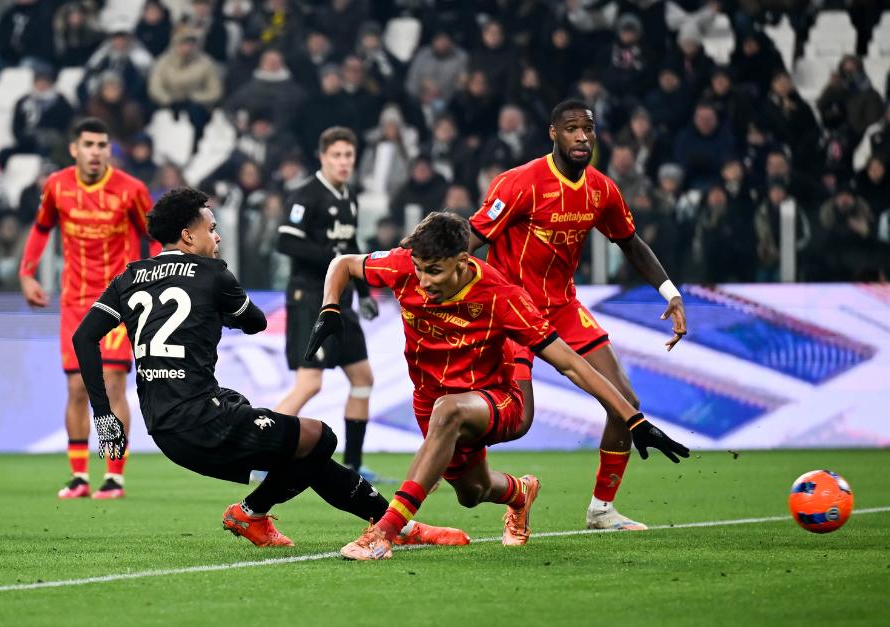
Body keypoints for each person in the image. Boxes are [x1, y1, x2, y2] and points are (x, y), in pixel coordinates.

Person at [71, 187, 469, 549]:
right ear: (189, 236)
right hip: (203, 419)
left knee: (303, 454)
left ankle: (397, 528)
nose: (218, 236)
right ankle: (251, 513)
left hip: (165, 427)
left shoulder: (129, 277)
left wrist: (105, 416)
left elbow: (83, 339)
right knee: (320, 437)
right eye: (212, 228)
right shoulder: (213, 274)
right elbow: (256, 321)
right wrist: (222, 312)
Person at [308, 212, 689, 560]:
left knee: (450, 411)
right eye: (421, 270)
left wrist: (632, 418)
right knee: (470, 492)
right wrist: (329, 307)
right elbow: (342, 264)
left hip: (499, 399)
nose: (424, 282)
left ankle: (383, 533)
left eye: (435, 272)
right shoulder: (404, 267)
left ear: (462, 262)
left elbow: (571, 364)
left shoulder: (502, 296)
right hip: (430, 398)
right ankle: (520, 493)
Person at [468, 99, 688, 532]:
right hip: (514, 311)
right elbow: (472, 237)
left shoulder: (601, 189)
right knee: (518, 422)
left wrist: (670, 291)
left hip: (564, 308)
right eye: (571, 128)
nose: (582, 136)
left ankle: (602, 510)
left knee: (626, 403)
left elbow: (630, 242)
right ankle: (484, 471)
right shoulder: (519, 183)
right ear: (553, 133)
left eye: (588, 128)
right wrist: (427, 281)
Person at [19, 117, 156, 500]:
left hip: (117, 301)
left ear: (109, 150)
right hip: (75, 301)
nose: (96, 152)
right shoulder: (57, 186)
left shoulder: (131, 191)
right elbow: (42, 227)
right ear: (74, 149)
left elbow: (155, 236)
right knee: (77, 387)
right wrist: (27, 274)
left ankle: (114, 475)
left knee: (113, 383)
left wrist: (155, 280)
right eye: (89, 144)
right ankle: (79, 476)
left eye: (102, 144)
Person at [274, 127, 380, 480]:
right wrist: (334, 260)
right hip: (310, 300)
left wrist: (364, 293)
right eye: (337, 155)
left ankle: (353, 465)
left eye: (349, 155)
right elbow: (286, 242)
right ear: (323, 157)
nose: (343, 162)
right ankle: (264, 454)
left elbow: (351, 245)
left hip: (342, 301)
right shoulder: (305, 195)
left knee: (363, 378)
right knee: (310, 384)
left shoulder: (349, 197)